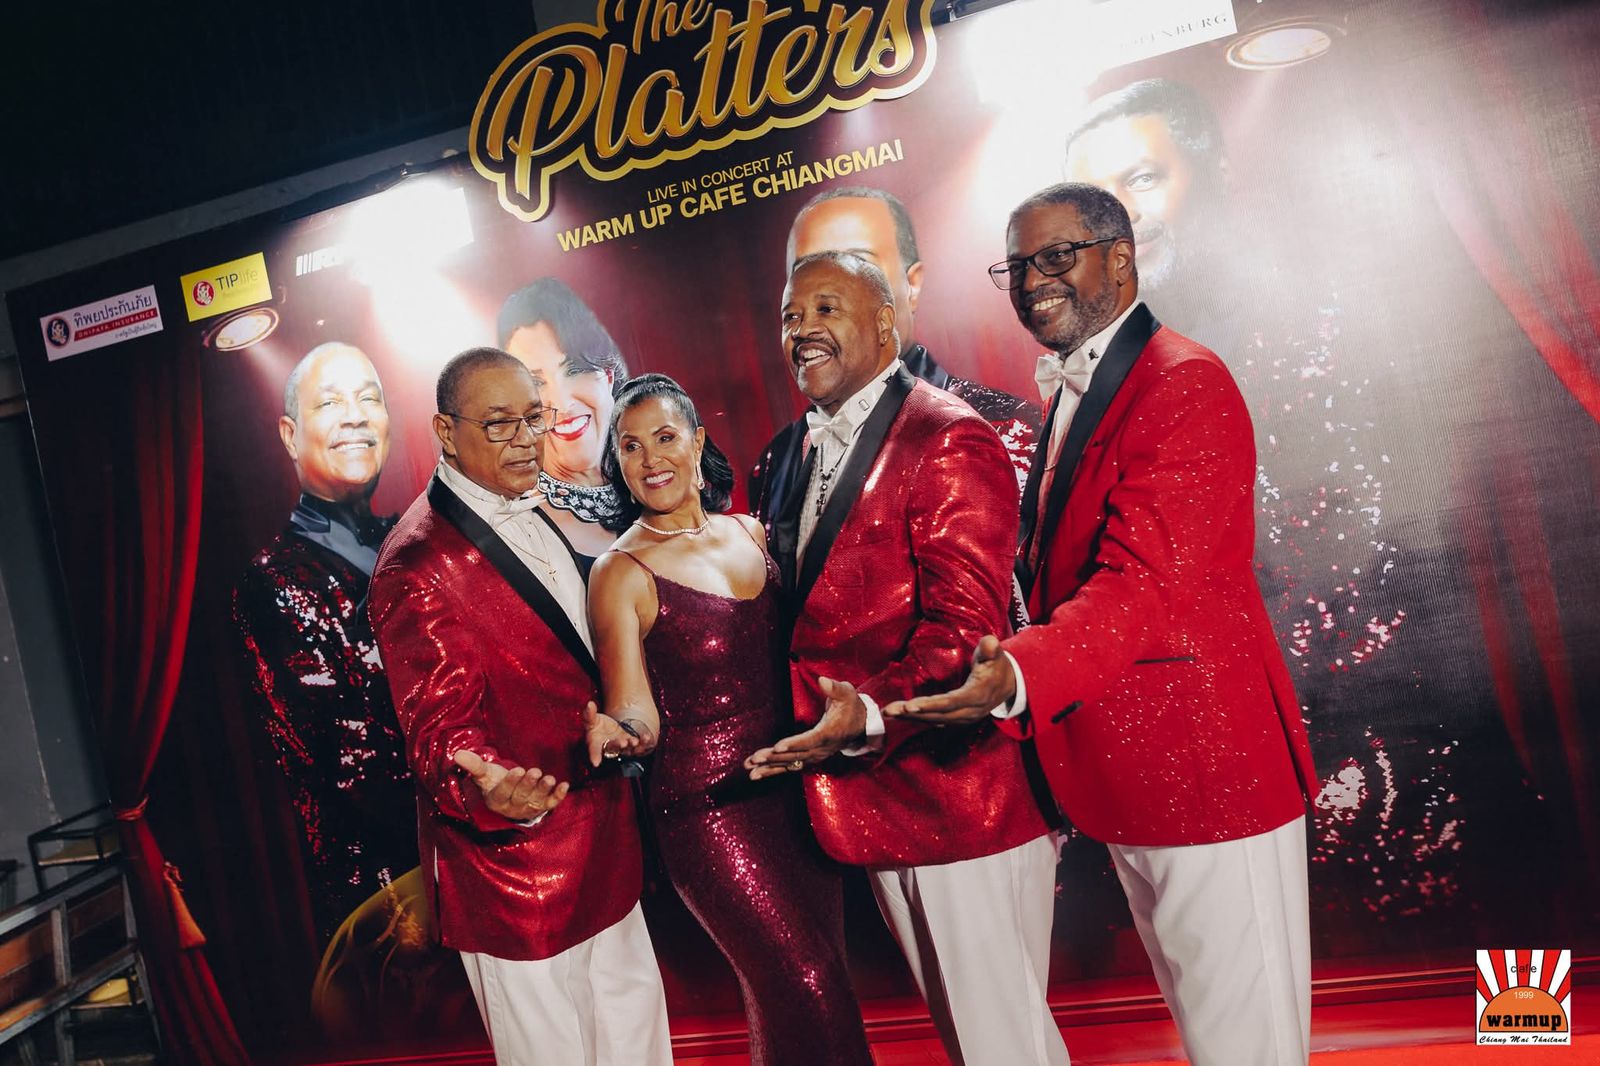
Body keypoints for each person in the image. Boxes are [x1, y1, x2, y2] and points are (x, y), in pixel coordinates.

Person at [888, 183, 1318, 1066]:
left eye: (1058, 256)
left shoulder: (1182, 380)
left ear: (1122, 258)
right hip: (1132, 772)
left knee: (1248, 1044)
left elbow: (1142, 584)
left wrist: (1016, 672)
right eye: (1018, 266)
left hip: (1210, 772)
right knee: (1211, 1029)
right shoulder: (1077, 392)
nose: (1033, 281)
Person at [744, 252, 1067, 1066]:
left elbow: (964, 631)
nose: (803, 329)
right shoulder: (783, 458)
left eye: (827, 308)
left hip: (960, 797)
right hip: (873, 799)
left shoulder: (947, 435)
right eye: (790, 316)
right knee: (978, 1044)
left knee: (1004, 1048)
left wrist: (866, 714)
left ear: (887, 322)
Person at [368, 347, 671, 1066]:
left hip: (606, 845)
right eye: (499, 423)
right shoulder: (415, 565)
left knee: (638, 1047)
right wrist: (487, 786)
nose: (526, 439)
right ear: (445, 433)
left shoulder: (548, 501)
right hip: (514, 877)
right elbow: (438, 731)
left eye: (533, 418)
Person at [587, 373, 873, 1066]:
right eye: (631, 447)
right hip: (709, 814)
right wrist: (619, 733)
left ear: (697, 443)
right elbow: (636, 710)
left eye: (664, 437)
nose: (650, 459)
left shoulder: (752, 532)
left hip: (799, 798)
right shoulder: (619, 571)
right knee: (806, 979)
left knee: (811, 987)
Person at [231, 342, 415, 942]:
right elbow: (349, 758)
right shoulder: (274, 579)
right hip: (389, 886)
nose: (355, 416)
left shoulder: (414, 540)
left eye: (369, 398)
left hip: (474, 845)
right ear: (290, 435)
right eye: (330, 403)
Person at [750, 187, 1041, 528]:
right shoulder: (777, 460)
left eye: (858, 265)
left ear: (911, 284)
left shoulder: (1001, 426)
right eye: (808, 270)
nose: (829, 286)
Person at [498, 278, 631, 563]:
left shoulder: (658, 483)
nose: (561, 403)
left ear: (608, 374)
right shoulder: (516, 535)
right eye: (535, 383)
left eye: (574, 369)